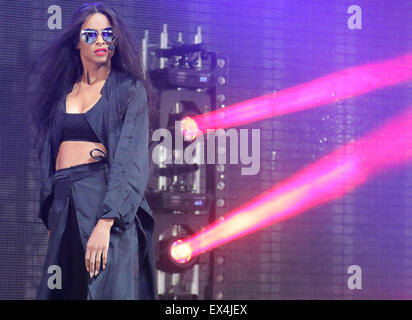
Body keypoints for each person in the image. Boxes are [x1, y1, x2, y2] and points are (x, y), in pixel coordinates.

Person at [27, 2, 156, 300]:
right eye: (91, 34)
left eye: (107, 34)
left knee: (103, 291)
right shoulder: (60, 93)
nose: (100, 40)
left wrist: (106, 222)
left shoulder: (128, 89)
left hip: (103, 203)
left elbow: (129, 160)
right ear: (76, 41)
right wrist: (53, 215)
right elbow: (47, 155)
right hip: (65, 204)